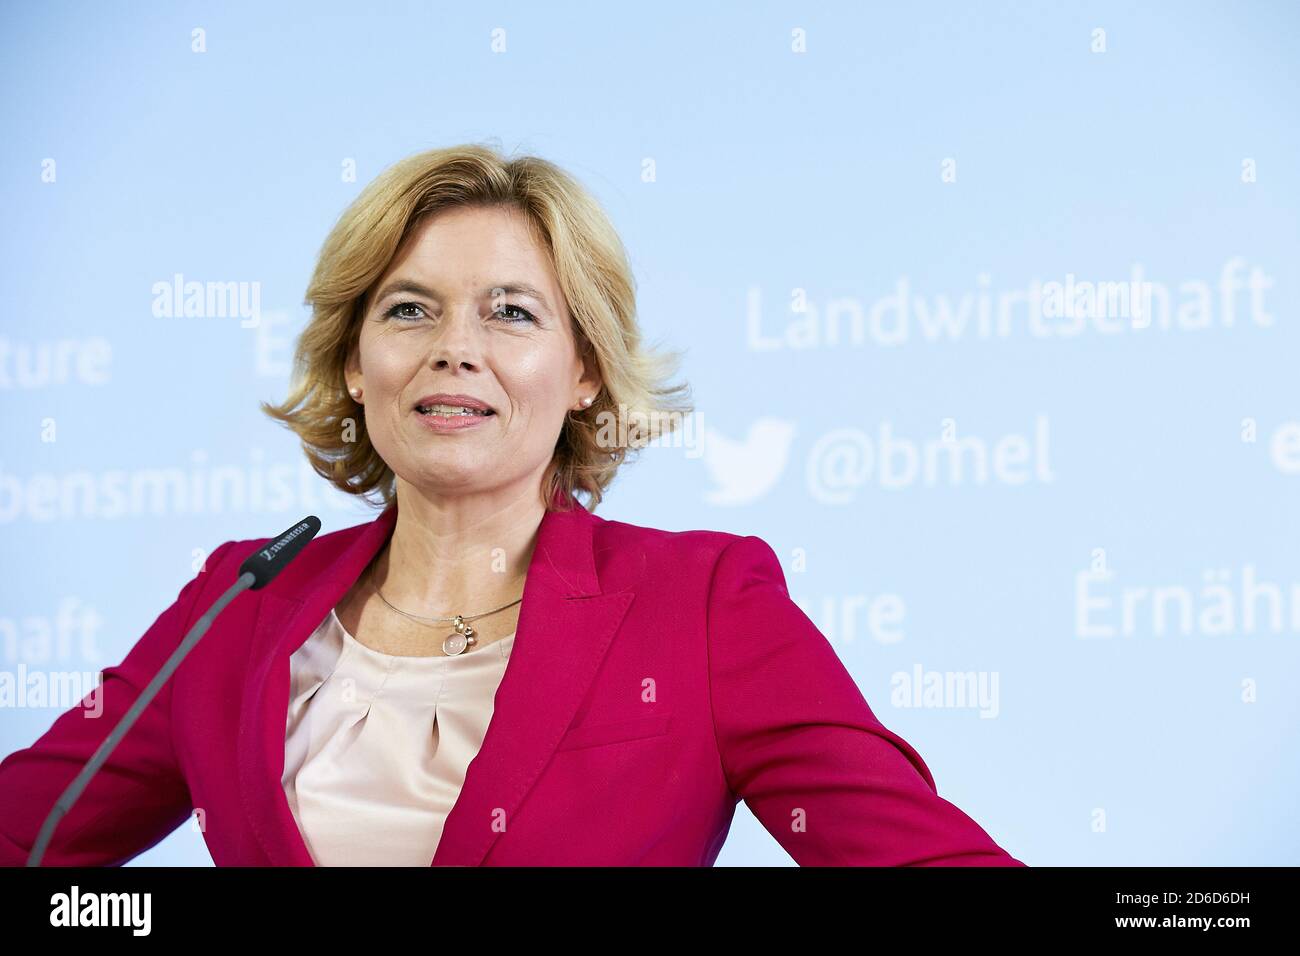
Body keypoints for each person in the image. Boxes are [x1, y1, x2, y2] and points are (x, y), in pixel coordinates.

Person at [0, 144, 1026, 866]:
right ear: (356, 363)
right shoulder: (237, 600)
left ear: (583, 369)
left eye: (511, 312)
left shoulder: (703, 602)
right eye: (409, 309)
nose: (456, 345)